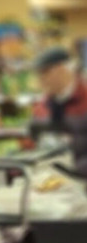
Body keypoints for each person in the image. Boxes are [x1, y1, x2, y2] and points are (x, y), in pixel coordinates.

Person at [32, 47, 87, 176]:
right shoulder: (45, 104)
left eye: (45, 73)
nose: (41, 79)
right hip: (63, 178)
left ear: (61, 70)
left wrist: (78, 169)